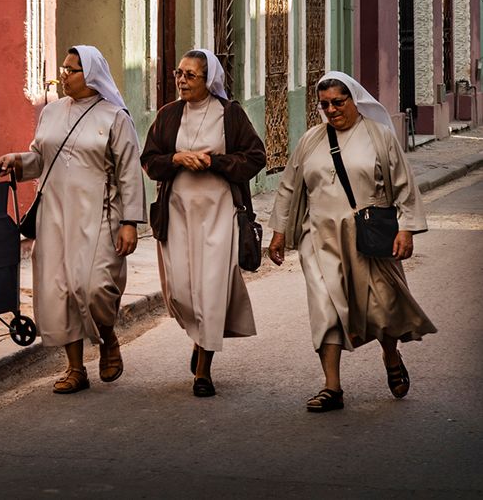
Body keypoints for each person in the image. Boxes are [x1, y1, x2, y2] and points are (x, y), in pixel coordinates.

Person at [267, 71, 435, 413]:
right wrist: (279, 231)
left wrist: (406, 229)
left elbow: (403, 184)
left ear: (354, 101)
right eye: (325, 104)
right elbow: (288, 186)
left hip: (368, 236)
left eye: (338, 103)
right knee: (324, 308)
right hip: (318, 238)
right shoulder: (311, 140)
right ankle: (332, 387)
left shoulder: (379, 136)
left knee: (381, 306)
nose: (331, 110)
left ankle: (390, 355)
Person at [0, 46, 146, 393]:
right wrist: (17, 161)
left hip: (99, 215)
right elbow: (40, 158)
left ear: (91, 74)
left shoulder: (114, 117)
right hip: (55, 215)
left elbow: (129, 173)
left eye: (72, 69)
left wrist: (129, 222)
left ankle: (107, 338)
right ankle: (75, 368)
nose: (64, 74)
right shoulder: (51, 112)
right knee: (59, 290)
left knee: (94, 287)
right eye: (63, 68)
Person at [140, 48, 265, 397]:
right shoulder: (168, 115)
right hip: (177, 213)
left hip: (219, 213)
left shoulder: (230, 114)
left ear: (208, 80)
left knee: (210, 289)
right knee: (180, 290)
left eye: (190, 75)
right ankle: (199, 338)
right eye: (179, 74)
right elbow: (149, 160)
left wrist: (215, 163)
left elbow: (256, 157)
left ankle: (203, 370)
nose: (181, 80)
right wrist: (177, 158)